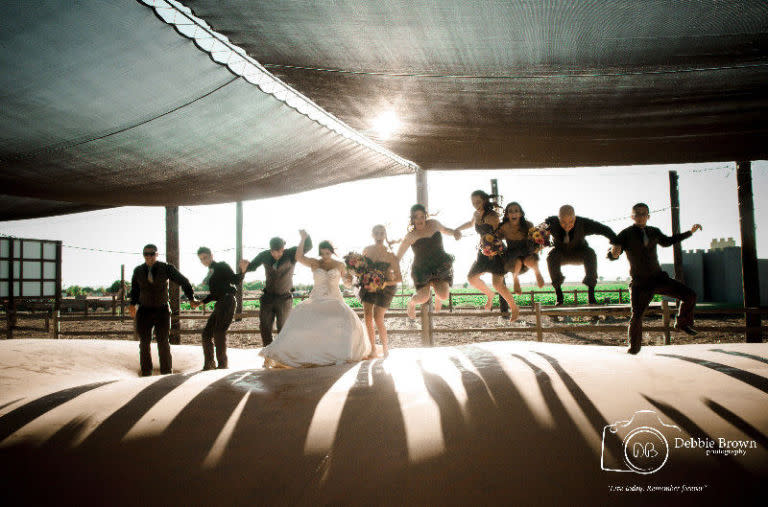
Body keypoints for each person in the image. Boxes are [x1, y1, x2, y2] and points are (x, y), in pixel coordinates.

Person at [259, 231, 370, 367]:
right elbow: (299, 257)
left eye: (327, 253)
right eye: (322, 253)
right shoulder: (314, 263)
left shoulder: (340, 265)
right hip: (316, 298)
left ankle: (339, 353)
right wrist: (303, 239)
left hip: (335, 299)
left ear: (331, 252)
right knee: (300, 322)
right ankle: (292, 353)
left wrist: (349, 279)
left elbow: (347, 283)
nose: (324, 256)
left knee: (346, 320)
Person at [609, 203, 702, 354]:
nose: (640, 216)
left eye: (644, 213)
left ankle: (682, 323)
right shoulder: (626, 234)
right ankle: (634, 348)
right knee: (637, 316)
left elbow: (668, 241)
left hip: (658, 278)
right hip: (640, 282)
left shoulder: (654, 232)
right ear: (632, 216)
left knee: (690, 295)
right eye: (637, 213)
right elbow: (614, 250)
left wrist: (689, 232)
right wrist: (613, 254)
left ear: (648, 216)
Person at [129, 244, 196, 376]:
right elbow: (135, 290)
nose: (149, 256)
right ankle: (146, 372)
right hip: (144, 311)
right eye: (146, 254)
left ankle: (166, 373)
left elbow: (184, 281)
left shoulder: (166, 268)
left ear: (157, 254)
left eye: (152, 253)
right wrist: (132, 304)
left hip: (162, 310)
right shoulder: (138, 271)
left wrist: (191, 297)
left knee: (163, 342)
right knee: (144, 343)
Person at [455, 190, 519, 319]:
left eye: (478, 201)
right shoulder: (476, 214)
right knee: (471, 278)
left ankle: (514, 308)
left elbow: (500, 234)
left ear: (484, 200)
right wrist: (457, 229)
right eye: (473, 202)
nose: (475, 204)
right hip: (483, 252)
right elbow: (470, 223)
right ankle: (490, 295)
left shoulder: (493, 216)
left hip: (497, 252)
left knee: (498, 284)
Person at [239, 234, 312, 347]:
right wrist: (244, 268)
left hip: (284, 298)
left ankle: (281, 355)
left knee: (283, 327)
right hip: (267, 297)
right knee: (264, 326)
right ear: (270, 250)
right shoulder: (264, 255)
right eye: (274, 252)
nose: (277, 254)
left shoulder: (291, 253)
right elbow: (251, 266)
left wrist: (304, 237)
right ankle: (268, 353)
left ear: (283, 249)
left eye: (280, 251)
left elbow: (308, 246)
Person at [396, 204, 461, 319]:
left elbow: (446, 230)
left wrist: (454, 233)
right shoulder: (410, 236)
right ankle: (411, 303)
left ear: (425, 216)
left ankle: (436, 292)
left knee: (444, 296)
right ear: (412, 219)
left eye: (422, 216)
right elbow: (398, 256)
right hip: (422, 269)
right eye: (416, 217)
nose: (420, 220)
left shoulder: (434, 224)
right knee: (423, 298)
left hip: (440, 265)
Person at [545, 205, 617, 305]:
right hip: (561, 254)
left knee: (590, 253)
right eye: (563, 222)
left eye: (570, 222)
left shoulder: (582, 223)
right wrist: (540, 240)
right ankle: (559, 297)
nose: (567, 226)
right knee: (551, 256)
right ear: (559, 219)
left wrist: (615, 242)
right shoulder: (551, 222)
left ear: (575, 218)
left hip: (579, 253)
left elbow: (603, 229)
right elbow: (535, 233)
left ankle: (591, 297)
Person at [352, 225, 402, 358]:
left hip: (384, 287)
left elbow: (399, 278)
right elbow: (360, 269)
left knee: (377, 317)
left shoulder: (390, 255)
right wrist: (357, 271)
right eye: (377, 233)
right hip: (368, 285)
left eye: (382, 233)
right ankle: (373, 349)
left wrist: (385, 283)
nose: (379, 236)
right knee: (367, 316)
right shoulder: (367, 250)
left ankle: (385, 347)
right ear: (372, 235)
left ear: (385, 235)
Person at [192, 247, 243, 370]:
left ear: (211, 255)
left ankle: (222, 365)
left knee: (219, 332)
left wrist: (243, 271)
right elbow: (215, 294)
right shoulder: (211, 272)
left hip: (227, 301)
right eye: (201, 259)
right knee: (206, 334)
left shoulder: (221, 266)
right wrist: (201, 302)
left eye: (205, 257)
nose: (204, 260)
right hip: (220, 303)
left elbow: (235, 279)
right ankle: (209, 364)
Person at [498, 201, 546, 295]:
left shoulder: (528, 225)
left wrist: (541, 241)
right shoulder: (503, 227)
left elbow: (535, 240)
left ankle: (537, 272)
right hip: (513, 254)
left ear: (520, 214)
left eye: (516, 211)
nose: (513, 213)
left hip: (526, 251)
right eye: (510, 211)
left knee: (528, 259)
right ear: (507, 215)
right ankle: (515, 279)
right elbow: (496, 239)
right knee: (518, 261)